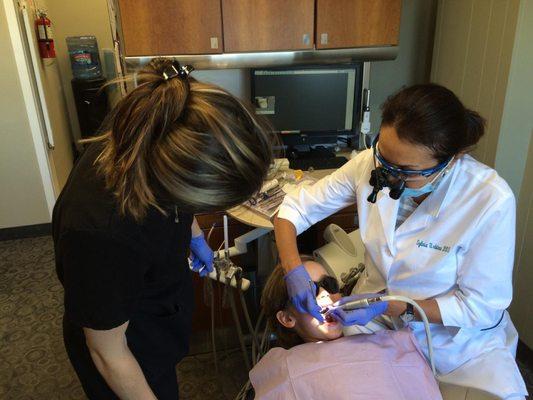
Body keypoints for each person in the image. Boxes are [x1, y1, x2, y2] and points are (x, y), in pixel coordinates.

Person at [273, 84, 527, 399]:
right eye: (384, 159)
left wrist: (394, 305)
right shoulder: (370, 163)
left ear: (449, 160)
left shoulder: (489, 199)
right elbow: (294, 209)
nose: (388, 176)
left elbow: (481, 308)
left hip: (459, 347)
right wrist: (292, 269)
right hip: (375, 321)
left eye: (406, 171)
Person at [53, 58, 275, 399]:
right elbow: (108, 354)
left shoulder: (155, 121)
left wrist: (195, 235)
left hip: (152, 307)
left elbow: (180, 199)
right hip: (122, 346)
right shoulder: (101, 233)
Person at [251, 260, 442, 400]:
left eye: (328, 284)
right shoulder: (285, 371)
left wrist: (393, 306)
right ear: (287, 318)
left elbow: (419, 325)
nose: (325, 294)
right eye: (310, 292)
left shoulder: (382, 338)